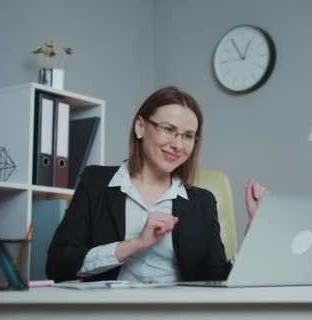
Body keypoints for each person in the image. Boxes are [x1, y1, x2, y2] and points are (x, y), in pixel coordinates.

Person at [46, 86, 266, 283]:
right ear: (140, 127)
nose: (178, 145)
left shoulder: (202, 202)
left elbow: (217, 280)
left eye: (188, 136)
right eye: (168, 129)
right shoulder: (96, 182)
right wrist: (136, 244)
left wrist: (256, 232)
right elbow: (57, 265)